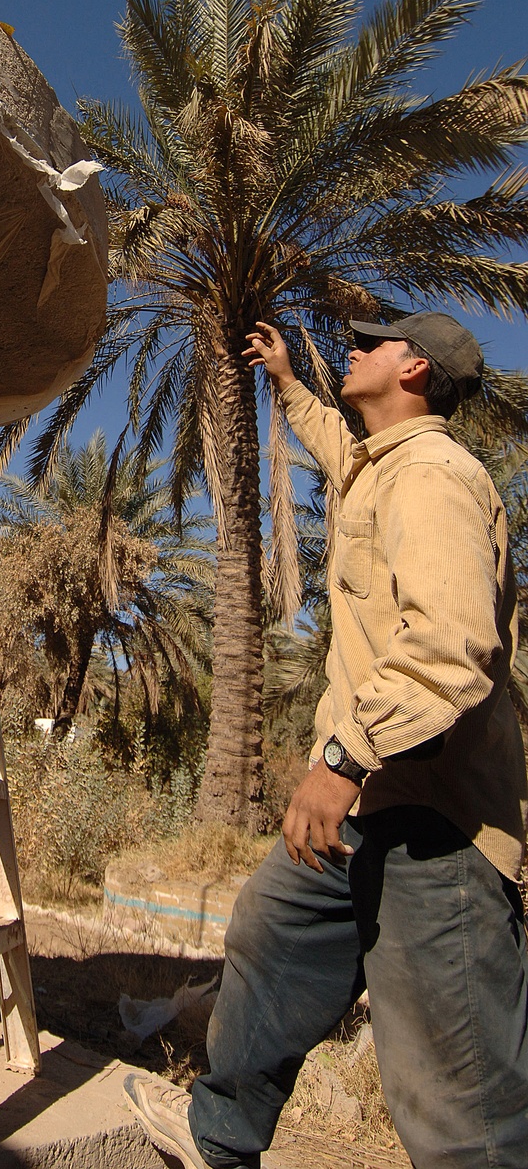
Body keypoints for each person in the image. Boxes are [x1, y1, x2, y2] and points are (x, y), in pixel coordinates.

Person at [123, 312, 528, 1169]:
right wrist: (285, 381)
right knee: (269, 932)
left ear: (414, 367)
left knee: (458, 1099)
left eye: (373, 342)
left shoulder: (433, 477)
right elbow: (340, 457)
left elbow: (453, 647)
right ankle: (218, 1140)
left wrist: (342, 760)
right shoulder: (381, 472)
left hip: (434, 827)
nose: (353, 347)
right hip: (367, 819)